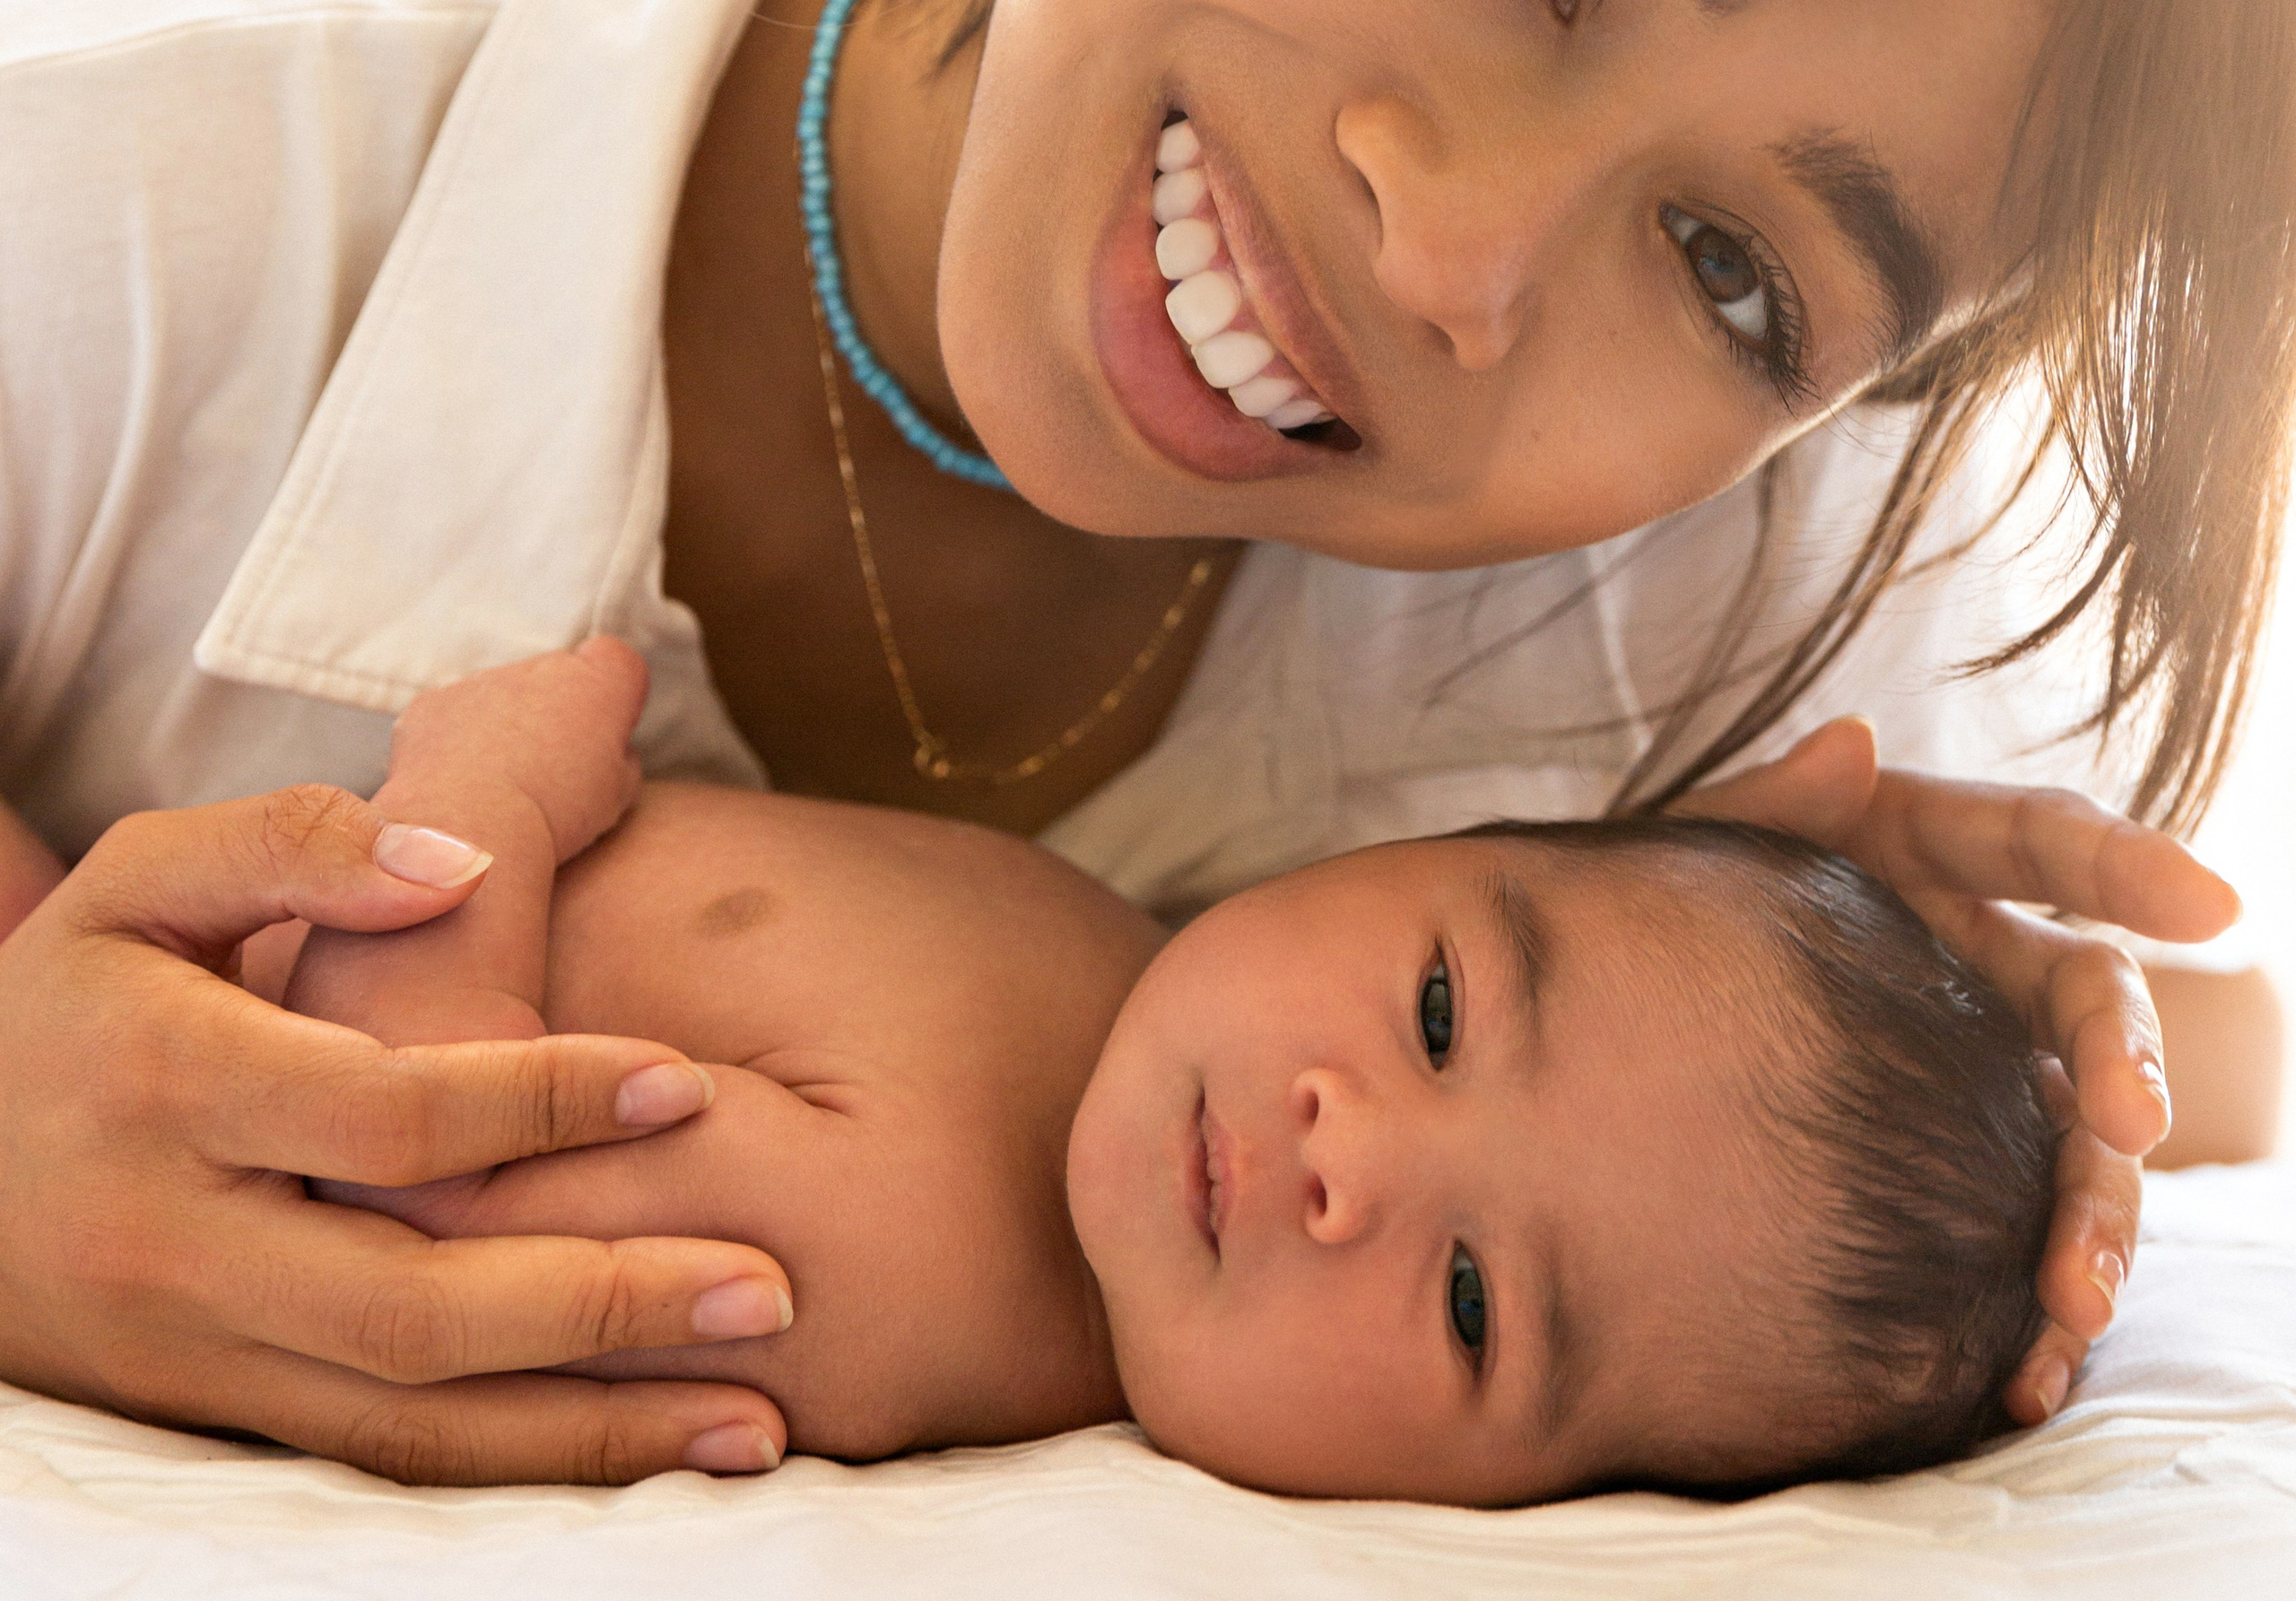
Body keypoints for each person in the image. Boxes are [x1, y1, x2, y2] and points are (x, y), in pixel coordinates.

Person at [0, 0, 2285, 1482]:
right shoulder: (126, 173)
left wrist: (2017, 1045)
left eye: (1725, 270)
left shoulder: (1725, 600)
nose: (1454, 254)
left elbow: (2203, 1057)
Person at [243, 639, 2064, 1501]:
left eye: (1466, 1304)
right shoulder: (1116, 954)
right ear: (1403, 851)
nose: (1348, 1159)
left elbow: (416, 1158)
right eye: (1436, 1009)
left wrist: (483, 787)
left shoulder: (914, 1266)